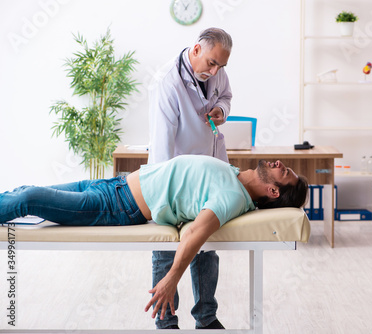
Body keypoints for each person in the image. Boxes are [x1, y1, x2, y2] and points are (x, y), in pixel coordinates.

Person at [0, 155, 309, 323]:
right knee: (24, 191)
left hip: (116, 205)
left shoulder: (231, 197)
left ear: (273, 192)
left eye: (285, 173)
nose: (279, 164)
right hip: (113, 184)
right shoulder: (234, 175)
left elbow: (196, 234)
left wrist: (170, 279)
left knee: (28, 198)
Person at [147, 27, 233, 329]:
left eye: (221, 65)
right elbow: (161, 144)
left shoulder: (216, 71)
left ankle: (206, 318)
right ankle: (166, 321)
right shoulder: (168, 82)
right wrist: (162, 194)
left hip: (209, 172)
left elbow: (226, 95)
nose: (215, 70)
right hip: (176, 178)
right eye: (211, 63)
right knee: (166, 247)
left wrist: (221, 109)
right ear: (195, 49)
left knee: (204, 248)